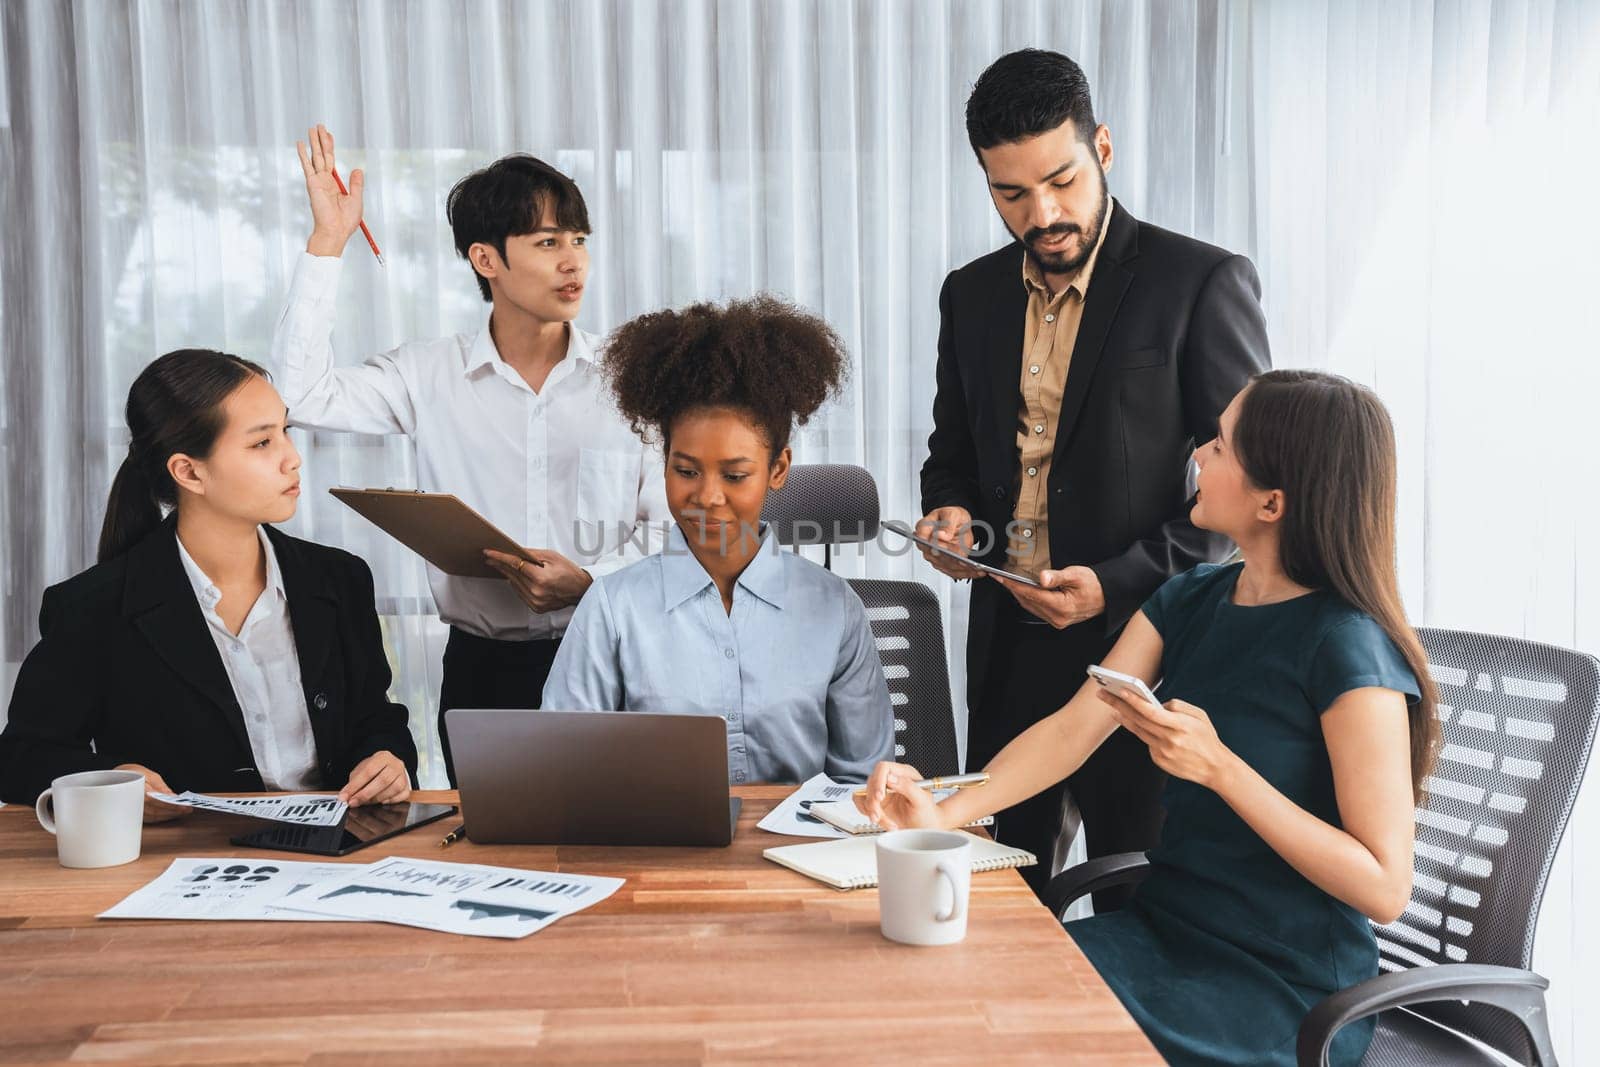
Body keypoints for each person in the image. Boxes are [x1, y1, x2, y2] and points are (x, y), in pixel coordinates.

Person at [863, 370, 1437, 1067]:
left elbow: (1384, 885)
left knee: (1008, 1031)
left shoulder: (1350, 646)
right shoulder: (1193, 594)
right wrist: (945, 813)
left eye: (1221, 447)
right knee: (962, 982)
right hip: (1163, 934)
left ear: (1273, 501)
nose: (1198, 455)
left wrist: (1220, 767)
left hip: (1281, 990)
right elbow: (1076, 728)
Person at [917, 49, 1271, 899]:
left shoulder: (1201, 284)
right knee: (1000, 897)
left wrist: (1111, 585)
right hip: (1007, 647)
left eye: (1062, 180)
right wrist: (950, 514)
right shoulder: (970, 295)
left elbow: (1247, 496)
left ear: (1102, 149)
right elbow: (952, 453)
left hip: (1148, 647)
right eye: (1011, 194)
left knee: (1135, 899)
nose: (1043, 214)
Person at [273, 126, 665, 785]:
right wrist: (328, 244)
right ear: (486, 259)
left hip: (613, 656)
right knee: (493, 855)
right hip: (484, 672)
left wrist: (591, 581)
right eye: (547, 242)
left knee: (616, 852)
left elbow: (671, 532)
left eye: (579, 240)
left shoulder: (634, 379)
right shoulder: (427, 373)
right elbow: (299, 394)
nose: (573, 262)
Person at [0, 349, 418, 817]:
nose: (293, 459)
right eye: (262, 443)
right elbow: (21, 759)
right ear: (189, 471)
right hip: (184, 862)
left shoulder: (340, 579)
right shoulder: (92, 607)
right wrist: (115, 780)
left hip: (338, 850)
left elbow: (377, 721)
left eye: (286, 432)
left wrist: (388, 759)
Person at [541, 297, 895, 784]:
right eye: (685, 471)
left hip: (802, 852)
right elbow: (565, 769)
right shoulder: (611, 607)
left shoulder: (835, 609)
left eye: (734, 475)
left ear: (778, 470)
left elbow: (864, 781)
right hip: (656, 852)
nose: (707, 497)